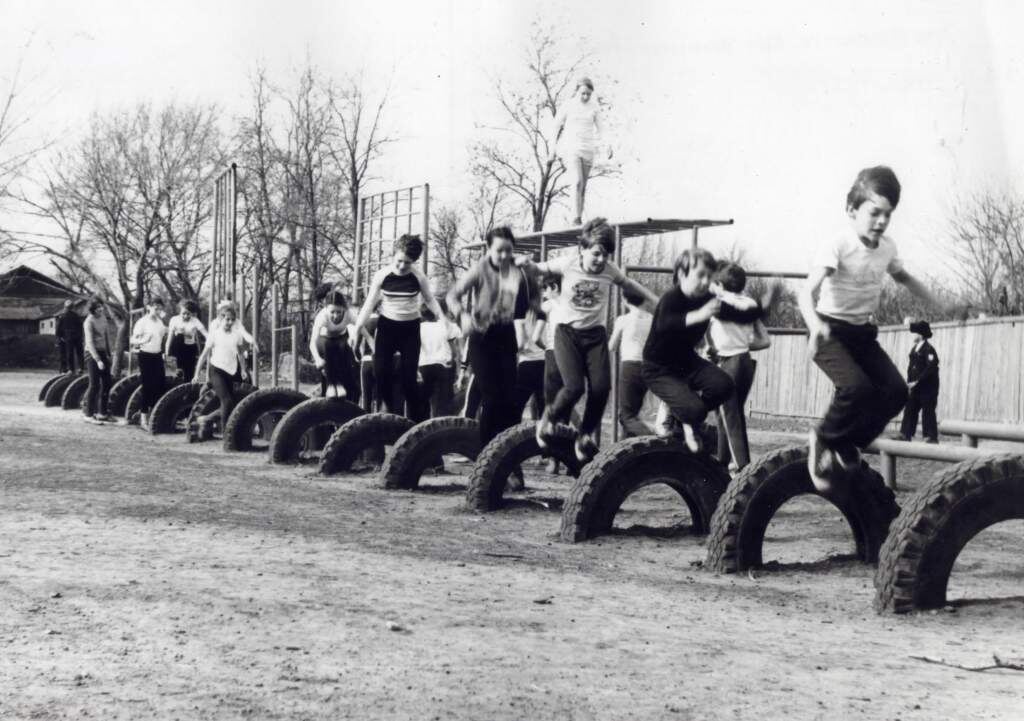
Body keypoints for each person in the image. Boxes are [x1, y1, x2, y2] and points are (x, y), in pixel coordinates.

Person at [798, 166, 950, 491]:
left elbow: (904, 278)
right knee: (856, 389)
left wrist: (940, 302)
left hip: (861, 334)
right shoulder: (838, 245)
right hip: (828, 331)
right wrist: (814, 325)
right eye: (874, 213)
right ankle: (823, 437)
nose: (881, 222)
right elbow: (805, 292)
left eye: (888, 215)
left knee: (896, 392)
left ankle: (849, 442)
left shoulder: (887, 248)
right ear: (852, 210)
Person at [528, 217, 659, 462]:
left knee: (601, 388)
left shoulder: (610, 270)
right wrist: (526, 265)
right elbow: (539, 268)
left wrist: (657, 302)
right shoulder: (567, 263)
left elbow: (630, 284)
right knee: (574, 387)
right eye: (596, 254)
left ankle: (585, 434)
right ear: (583, 249)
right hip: (567, 334)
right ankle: (549, 417)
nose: (601, 260)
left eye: (606, 255)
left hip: (595, 337)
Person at [642, 249, 761, 453]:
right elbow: (665, 324)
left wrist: (761, 308)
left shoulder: (708, 298)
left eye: (710, 276)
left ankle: (685, 418)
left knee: (724, 386)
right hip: (658, 369)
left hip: (688, 362)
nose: (706, 282)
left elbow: (738, 316)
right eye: (700, 275)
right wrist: (699, 315)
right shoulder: (672, 298)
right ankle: (689, 417)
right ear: (682, 274)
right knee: (695, 410)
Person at [447, 226, 541, 446]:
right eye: (499, 250)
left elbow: (536, 294)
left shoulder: (520, 269)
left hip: (506, 335)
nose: (504, 255)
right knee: (490, 396)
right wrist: (462, 315)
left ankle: (506, 451)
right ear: (489, 248)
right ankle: (486, 452)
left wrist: (533, 310)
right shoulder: (479, 268)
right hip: (482, 336)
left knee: (508, 399)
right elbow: (452, 295)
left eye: (509, 250)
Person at [351, 234, 444, 421]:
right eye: (399, 261)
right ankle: (387, 409)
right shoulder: (382, 275)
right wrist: (357, 329)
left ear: (414, 262)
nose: (402, 266)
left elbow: (430, 300)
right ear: (393, 255)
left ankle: (415, 420)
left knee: (409, 379)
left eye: (407, 263)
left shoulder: (418, 277)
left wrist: (443, 320)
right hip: (387, 326)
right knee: (380, 371)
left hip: (410, 329)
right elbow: (369, 304)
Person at [706, 262, 774, 471]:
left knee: (730, 417)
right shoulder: (750, 303)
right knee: (726, 415)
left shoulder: (717, 304)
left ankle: (742, 468)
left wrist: (717, 347)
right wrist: (740, 344)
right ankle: (721, 463)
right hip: (745, 361)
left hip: (728, 363)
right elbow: (764, 341)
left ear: (720, 284)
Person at [550, 77, 612, 225]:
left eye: (588, 94)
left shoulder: (594, 107)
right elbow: (555, 127)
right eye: (582, 93)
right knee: (577, 181)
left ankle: (579, 219)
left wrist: (608, 145)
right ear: (576, 91)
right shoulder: (568, 105)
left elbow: (602, 128)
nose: (585, 97)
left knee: (583, 187)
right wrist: (552, 150)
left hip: (588, 150)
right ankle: (575, 218)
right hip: (571, 148)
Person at [191, 300, 253, 439]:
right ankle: (227, 436)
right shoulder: (214, 334)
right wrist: (196, 374)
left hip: (231, 370)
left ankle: (206, 419)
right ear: (221, 319)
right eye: (227, 319)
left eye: (232, 320)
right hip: (216, 370)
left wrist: (243, 370)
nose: (229, 322)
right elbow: (204, 356)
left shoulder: (236, 335)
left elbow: (240, 354)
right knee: (227, 401)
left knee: (233, 403)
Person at [608, 285, 655, 438]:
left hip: (630, 365)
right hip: (648, 366)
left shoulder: (624, 320)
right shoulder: (652, 319)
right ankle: (627, 448)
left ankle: (654, 435)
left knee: (626, 417)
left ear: (625, 300)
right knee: (633, 413)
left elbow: (612, 346)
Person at [897, 320, 940, 443]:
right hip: (915, 387)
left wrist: (918, 382)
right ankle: (906, 433)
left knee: (928, 410)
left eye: (915, 333)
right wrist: (909, 383)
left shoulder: (928, 349)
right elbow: (911, 369)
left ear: (920, 335)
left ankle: (930, 436)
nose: (913, 335)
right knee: (910, 408)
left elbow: (931, 368)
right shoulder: (914, 349)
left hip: (928, 388)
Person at [309, 289, 356, 399]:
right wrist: (317, 359)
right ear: (327, 309)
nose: (335, 316)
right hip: (324, 341)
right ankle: (331, 385)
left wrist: (369, 344)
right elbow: (312, 343)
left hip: (341, 340)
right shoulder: (322, 316)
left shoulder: (349, 313)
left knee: (344, 347)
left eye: (339, 312)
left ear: (344, 309)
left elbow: (362, 329)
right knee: (328, 345)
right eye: (332, 312)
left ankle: (343, 387)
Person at [418, 300, 461, 418]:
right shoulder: (446, 325)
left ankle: (424, 424)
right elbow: (454, 350)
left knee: (424, 401)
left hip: (424, 365)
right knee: (444, 402)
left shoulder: (418, 328)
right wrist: (455, 364)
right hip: (444, 365)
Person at [130, 296, 168, 429]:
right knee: (147, 386)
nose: (158, 311)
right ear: (148, 307)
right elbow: (132, 340)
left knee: (160, 384)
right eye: (155, 308)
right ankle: (143, 418)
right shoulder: (142, 322)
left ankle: (153, 415)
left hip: (157, 355)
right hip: (145, 355)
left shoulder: (160, 322)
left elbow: (162, 336)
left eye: (160, 309)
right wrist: (143, 341)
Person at [82, 297, 116, 424]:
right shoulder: (88, 322)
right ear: (92, 309)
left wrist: (109, 353)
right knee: (94, 384)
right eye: (98, 308)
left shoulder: (103, 318)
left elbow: (106, 336)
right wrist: (98, 360)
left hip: (102, 352)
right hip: (91, 353)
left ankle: (102, 413)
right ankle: (88, 415)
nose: (101, 309)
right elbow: (90, 342)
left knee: (107, 383)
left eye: (101, 306)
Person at [165, 300, 207, 381]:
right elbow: (170, 337)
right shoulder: (174, 320)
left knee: (189, 374)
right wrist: (167, 353)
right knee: (180, 335)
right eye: (183, 313)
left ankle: (188, 383)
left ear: (192, 313)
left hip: (190, 348)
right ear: (179, 312)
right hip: (178, 349)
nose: (186, 316)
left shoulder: (195, 320)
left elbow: (205, 333)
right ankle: (178, 369)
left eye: (188, 314)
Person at [55, 300, 84, 374]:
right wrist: (81, 337)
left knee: (69, 353)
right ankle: (80, 368)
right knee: (79, 353)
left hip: (67, 337)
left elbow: (58, 328)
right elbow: (80, 327)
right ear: (73, 307)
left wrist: (59, 337)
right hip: (77, 337)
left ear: (65, 307)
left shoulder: (62, 316)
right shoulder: (76, 316)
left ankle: (70, 369)